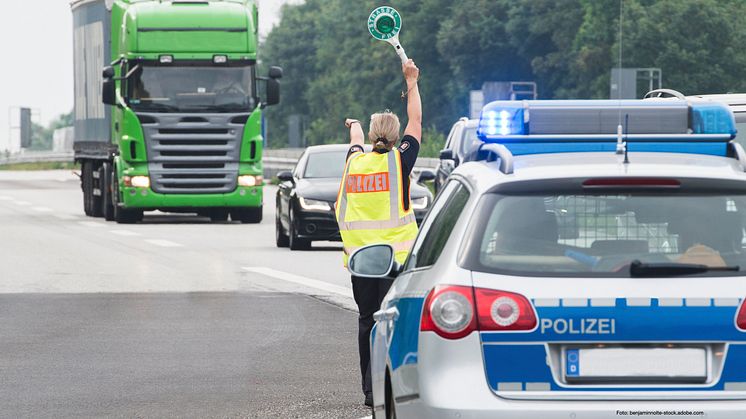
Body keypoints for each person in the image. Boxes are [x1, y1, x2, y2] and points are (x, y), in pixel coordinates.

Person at [335, 59, 421, 407]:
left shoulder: (356, 161)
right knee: (395, 324)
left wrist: (354, 125)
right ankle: (394, 386)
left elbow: (355, 140)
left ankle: (370, 392)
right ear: (396, 136)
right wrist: (411, 82)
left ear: (372, 137)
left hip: (360, 262)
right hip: (395, 261)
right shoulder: (398, 161)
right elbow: (416, 119)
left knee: (366, 320)